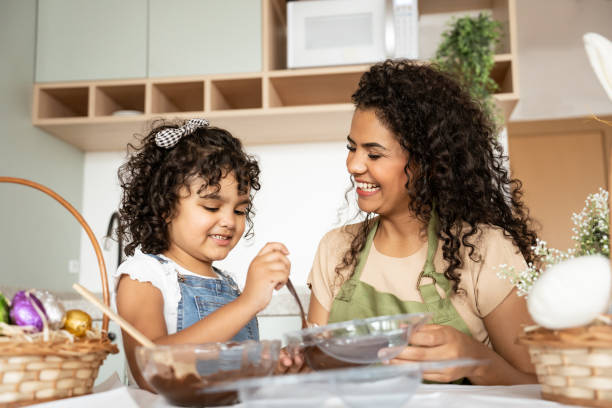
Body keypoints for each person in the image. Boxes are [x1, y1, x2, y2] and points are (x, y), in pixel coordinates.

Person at [307, 60, 538, 385]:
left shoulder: (484, 249)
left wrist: (477, 361)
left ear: (427, 162)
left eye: (373, 154)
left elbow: (539, 387)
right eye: (352, 148)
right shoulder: (336, 249)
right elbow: (313, 374)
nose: (353, 165)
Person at [114, 119, 294, 389]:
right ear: (164, 207)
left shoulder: (228, 284)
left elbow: (230, 374)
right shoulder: (144, 276)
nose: (230, 222)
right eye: (211, 207)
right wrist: (247, 302)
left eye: (239, 210)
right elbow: (151, 368)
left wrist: (271, 368)